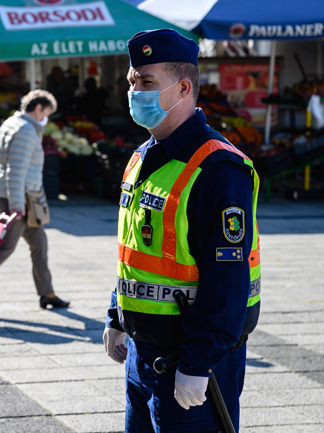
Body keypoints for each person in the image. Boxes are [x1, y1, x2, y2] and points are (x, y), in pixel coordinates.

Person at [102, 29, 261, 432]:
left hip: (191, 358)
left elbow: (226, 277)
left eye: (147, 82)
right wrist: (117, 316)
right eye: (132, 82)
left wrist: (198, 361)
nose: (134, 90)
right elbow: (135, 249)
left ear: (184, 87)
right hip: (143, 352)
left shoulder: (218, 168)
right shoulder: (142, 156)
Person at [0, 89, 70, 315]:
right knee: (4, 248)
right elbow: (14, 172)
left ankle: (47, 294)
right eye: (46, 113)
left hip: (17, 197)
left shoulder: (8, 125)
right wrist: (17, 206)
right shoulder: (26, 131)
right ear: (38, 108)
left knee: (39, 243)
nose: (45, 119)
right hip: (18, 199)